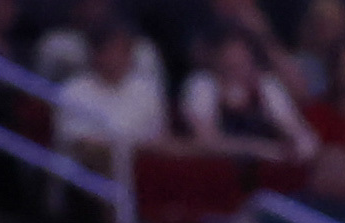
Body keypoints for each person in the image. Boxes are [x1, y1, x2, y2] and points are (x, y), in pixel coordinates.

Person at [186, 29, 320, 160]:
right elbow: (206, 141)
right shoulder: (202, 84)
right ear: (216, 60)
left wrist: (292, 145)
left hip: (266, 167)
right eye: (230, 66)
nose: (237, 72)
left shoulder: (267, 86)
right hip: (218, 167)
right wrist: (258, 148)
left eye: (242, 64)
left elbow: (301, 136)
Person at [57, 23, 171, 170]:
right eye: (114, 50)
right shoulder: (74, 91)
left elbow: (161, 139)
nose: (122, 56)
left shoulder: (146, 90)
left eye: (126, 50)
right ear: (97, 54)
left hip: (145, 172)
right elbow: (83, 145)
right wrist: (127, 148)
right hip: (86, 179)